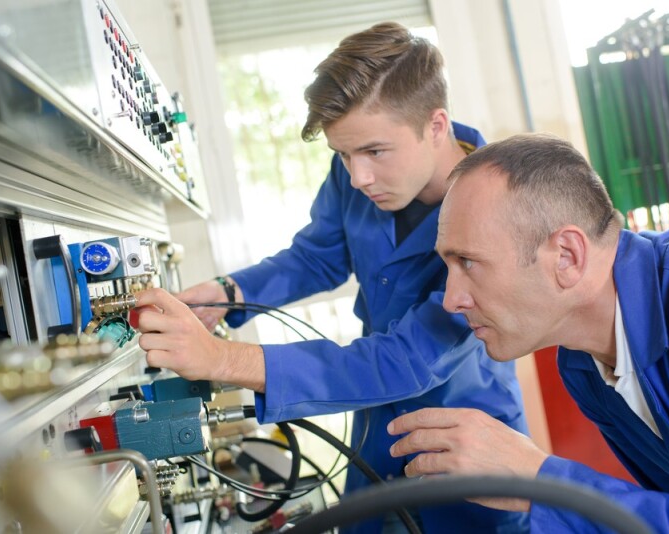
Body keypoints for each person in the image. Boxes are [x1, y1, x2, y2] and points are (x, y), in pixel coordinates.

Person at [135, 22, 530, 533]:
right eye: (342, 154)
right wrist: (228, 293)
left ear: (436, 125)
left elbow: (404, 360)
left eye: (373, 152)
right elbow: (317, 257)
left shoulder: (495, 212)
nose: (358, 175)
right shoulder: (358, 174)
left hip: (462, 444)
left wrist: (221, 359)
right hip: (374, 434)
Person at [387, 132, 669, 531]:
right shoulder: (582, 366)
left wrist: (539, 482)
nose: (451, 300)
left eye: (468, 262)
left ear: (567, 257)